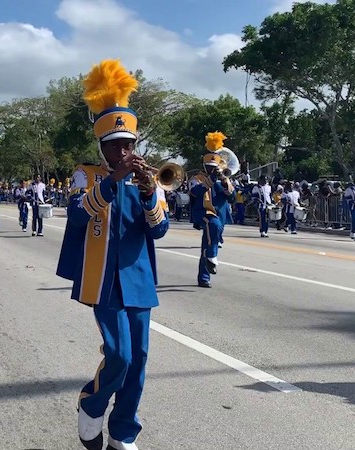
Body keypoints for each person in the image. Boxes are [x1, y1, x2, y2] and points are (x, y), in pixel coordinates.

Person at [56, 59, 168, 450]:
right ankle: (91, 403)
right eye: (115, 145)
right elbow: (75, 215)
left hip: (138, 277)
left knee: (138, 362)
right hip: (101, 277)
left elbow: (160, 229)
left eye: (128, 144)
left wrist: (148, 191)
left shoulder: (147, 181)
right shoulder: (86, 176)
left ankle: (123, 431)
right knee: (118, 356)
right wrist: (113, 182)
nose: (123, 151)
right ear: (102, 147)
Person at [189, 131, 234, 289]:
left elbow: (232, 196)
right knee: (212, 229)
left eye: (214, 167)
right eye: (209, 167)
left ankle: (204, 277)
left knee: (207, 245)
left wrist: (224, 181)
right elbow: (196, 192)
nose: (211, 169)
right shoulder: (197, 178)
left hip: (220, 215)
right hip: (204, 213)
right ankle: (212, 257)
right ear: (204, 166)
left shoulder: (223, 179)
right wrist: (211, 179)